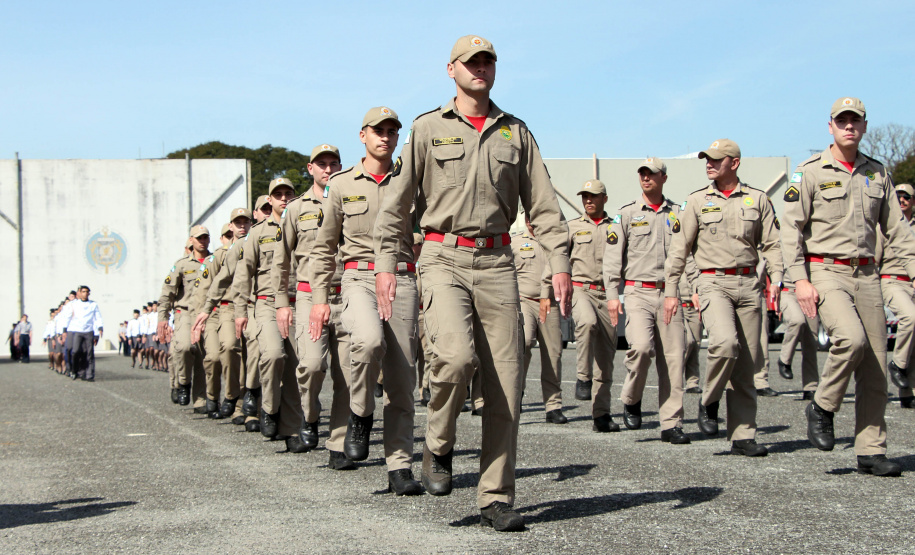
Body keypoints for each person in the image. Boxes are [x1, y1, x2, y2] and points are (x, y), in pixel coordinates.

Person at [373, 35, 572, 531]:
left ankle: (495, 497)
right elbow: (396, 205)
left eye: (488, 62)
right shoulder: (426, 128)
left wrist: (562, 261)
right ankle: (438, 444)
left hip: (499, 262)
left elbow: (543, 204)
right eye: (472, 62)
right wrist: (383, 264)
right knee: (456, 358)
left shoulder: (516, 133)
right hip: (443, 256)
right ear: (451, 69)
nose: (480, 69)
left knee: (506, 384)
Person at [783, 98, 915, 477]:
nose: (848, 127)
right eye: (842, 121)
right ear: (830, 127)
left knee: (875, 366)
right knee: (851, 340)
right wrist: (801, 280)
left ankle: (870, 450)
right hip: (826, 272)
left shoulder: (877, 174)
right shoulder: (808, 172)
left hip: (868, 274)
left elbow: (898, 232)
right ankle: (822, 406)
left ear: (864, 126)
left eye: (855, 120)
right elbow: (790, 230)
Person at [309, 107, 422, 494]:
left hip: (404, 279)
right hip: (357, 277)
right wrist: (321, 298)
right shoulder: (341, 185)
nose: (386, 137)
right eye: (379, 130)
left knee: (402, 378)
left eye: (393, 131)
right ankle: (360, 413)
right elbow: (324, 248)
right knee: (367, 340)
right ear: (363, 135)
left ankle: (400, 467)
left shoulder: (410, 179)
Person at [664, 138, 782, 458]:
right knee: (725, 343)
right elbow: (679, 250)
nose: (709, 163)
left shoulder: (757, 199)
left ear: (735, 163)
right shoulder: (697, 202)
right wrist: (672, 290)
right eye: (707, 159)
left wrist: (778, 280)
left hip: (749, 284)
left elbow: (771, 244)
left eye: (717, 159)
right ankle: (709, 399)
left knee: (746, 364)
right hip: (712, 282)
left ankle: (743, 435)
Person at [272, 144, 354, 465]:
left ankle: (339, 444)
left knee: (347, 371)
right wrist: (283, 302)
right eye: (322, 164)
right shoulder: (295, 209)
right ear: (310, 169)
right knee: (312, 364)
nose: (328, 169)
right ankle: (309, 415)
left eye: (334, 163)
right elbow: (281, 261)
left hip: (345, 292)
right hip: (308, 295)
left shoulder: (349, 199)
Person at [604, 158, 692, 444]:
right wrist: (612, 296)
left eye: (651, 174)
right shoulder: (626, 214)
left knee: (674, 359)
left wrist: (692, 290)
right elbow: (613, 258)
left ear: (663, 178)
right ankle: (631, 398)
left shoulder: (678, 213)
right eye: (642, 174)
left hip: (669, 293)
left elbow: (688, 256)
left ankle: (671, 424)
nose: (646, 178)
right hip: (637, 292)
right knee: (641, 349)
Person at [233, 178, 306, 452]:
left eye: (289, 193)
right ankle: (269, 408)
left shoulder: (304, 226)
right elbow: (243, 274)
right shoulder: (257, 232)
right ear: (270, 201)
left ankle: (291, 429)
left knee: (299, 366)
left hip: (298, 302)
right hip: (266, 304)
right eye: (278, 195)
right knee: (274, 355)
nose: (284, 198)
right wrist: (240, 311)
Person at [193, 208, 254, 425]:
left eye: (245, 222)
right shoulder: (219, 256)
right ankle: (230, 396)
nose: (241, 226)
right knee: (228, 349)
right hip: (227, 308)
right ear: (230, 226)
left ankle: (246, 408)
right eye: (237, 223)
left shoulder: (256, 243)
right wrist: (202, 315)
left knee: (254, 358)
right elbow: (208, 287)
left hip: (255, 306)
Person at [567, 180, 617, 431]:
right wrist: (548, 293)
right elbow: (556, 261)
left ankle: (602, 415)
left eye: (593, 196)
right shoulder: (573, 227)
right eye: (585, 196)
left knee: (607, 359)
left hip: (607, 294)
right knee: (586, 322)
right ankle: (582, 377)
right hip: (581, 288)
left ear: (604, 199)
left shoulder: (616, 228)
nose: (588, 200)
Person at [511, 216, 565, 424]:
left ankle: (553, 405)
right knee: (523, 343)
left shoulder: (555, 242)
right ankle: (518, 394)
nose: (533, 222)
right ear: (525, 220)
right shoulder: (514, 242)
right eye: (529, 218)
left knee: (553, 353)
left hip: (550, 303)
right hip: (525, 301)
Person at [158, 226, 211, 408]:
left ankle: (201, 399)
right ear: (191, 240)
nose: (202, 241)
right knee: (184, 348)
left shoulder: (215, 261)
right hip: (186, 312)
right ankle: (183, 382)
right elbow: (167, 292)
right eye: (199, 238)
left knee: (205, 355)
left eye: (205, 237)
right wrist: (162, 318)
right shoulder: (181, 264)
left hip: (207, 312)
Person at [878, 183, 915, 409]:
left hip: (912, 283)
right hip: (891, 280)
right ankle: (898, 365)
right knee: (911, 318)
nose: (901, 200)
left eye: (906, 197)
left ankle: (907, 394)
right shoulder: (884, 227)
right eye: (898, 196)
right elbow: (873, 259)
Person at [776, 270, 820, 400]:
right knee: (797, 320)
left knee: (811, 341)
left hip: (810, 292)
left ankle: (811, 387)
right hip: (787, 290)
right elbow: (771, 264)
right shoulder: (781, 248)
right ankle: (785, 360)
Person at [60, 286, 103, 381]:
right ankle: (74, 370)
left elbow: (97, 317)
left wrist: (99, 328)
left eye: (87, 292)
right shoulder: (74, 304)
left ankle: (89, 375)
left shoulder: (93, 304)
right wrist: (64, 330)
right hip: (77, 331)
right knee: (75, 352)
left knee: (89, 353)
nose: (85, 293)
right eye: (83, 292)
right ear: (79, 293)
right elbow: (67, 317)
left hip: (88, 331)